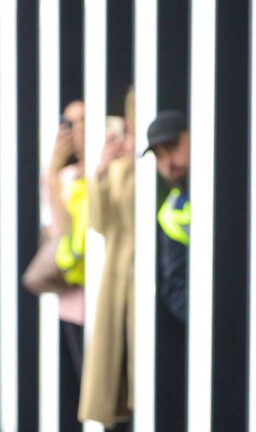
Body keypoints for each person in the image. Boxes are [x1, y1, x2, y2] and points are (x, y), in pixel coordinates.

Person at [78, 86, 135, 431]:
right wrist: (102, 169)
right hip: (118, 273)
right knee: (115, 365)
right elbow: (99, 222)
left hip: (142, 277)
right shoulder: (119, 167)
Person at [48, 99, 87, 432]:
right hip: (74, 299)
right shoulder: (66, 178)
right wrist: (52, 172)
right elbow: (59, 232)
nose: (76, 130)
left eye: (83, 120)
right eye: (69, 123)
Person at [143, 109, 190, 323]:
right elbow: (175, 288)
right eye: (159, 155)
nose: (168, 162)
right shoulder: (171, 213)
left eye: (172, 147)